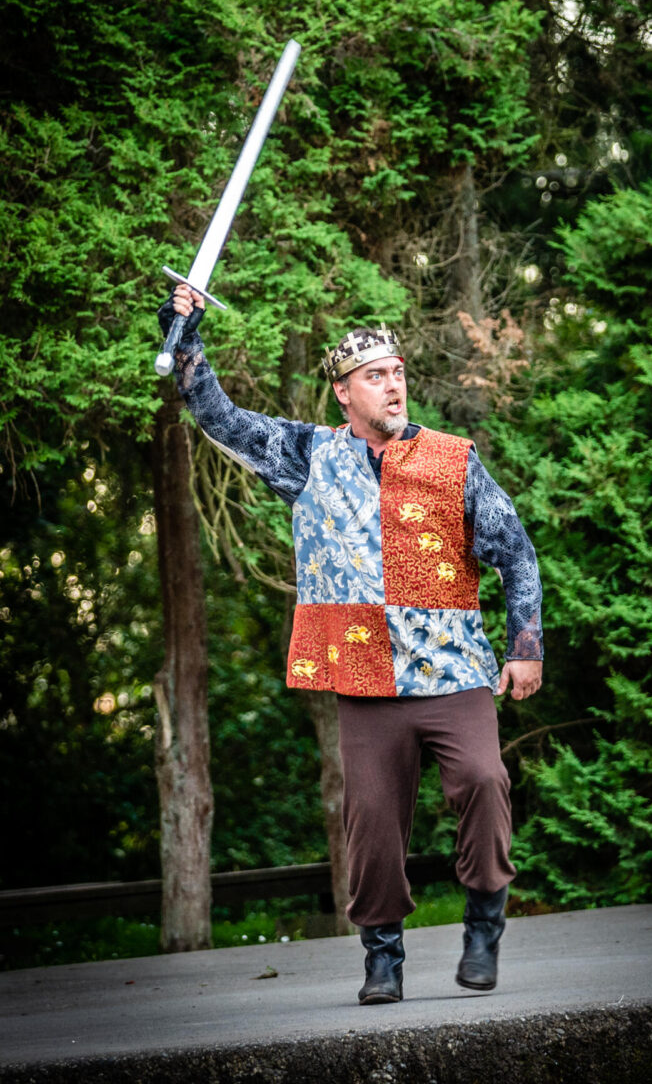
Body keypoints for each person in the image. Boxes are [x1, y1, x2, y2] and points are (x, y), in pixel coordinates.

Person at [158, 284, 544, 1004]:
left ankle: (484, 923)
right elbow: (215, 415)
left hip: (455, 669)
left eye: (397, 371)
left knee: (486, 784)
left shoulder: (453, 459)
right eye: (375, 375)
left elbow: (515, 552)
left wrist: (526, 647)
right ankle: (382, 956)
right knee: (368, 823)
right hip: (363, 676)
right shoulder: (307, 456)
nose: (392, 384)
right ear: (343, 392)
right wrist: (183, 333)